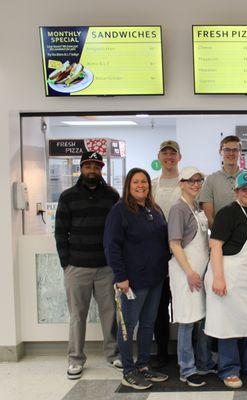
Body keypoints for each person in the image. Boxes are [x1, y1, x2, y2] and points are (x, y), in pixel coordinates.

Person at [204, 170, 247, 389]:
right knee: (229, 324)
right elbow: (215, 246)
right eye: (244, 189)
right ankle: (229, 368)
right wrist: (218, 278)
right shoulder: (228, 213)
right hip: (230, 275)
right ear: (236, 191)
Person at [54, 151, 121, 379]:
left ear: (101, 168)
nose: (92, 170)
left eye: (96, 166)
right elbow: (61, 231)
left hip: (106, 268)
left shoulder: (112, 195)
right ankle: (75, 359)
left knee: (110, 314)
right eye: (88, 166)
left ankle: (113, 355)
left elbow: (116, 231)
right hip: (77, 268)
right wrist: (67, 263)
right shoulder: (68, 196)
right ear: (81, 168)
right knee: (77, 315)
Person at [104, 168, 170, 390]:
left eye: (144, 182)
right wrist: (120, 277)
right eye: (136, 182)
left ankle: (143, 365)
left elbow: (163, 240)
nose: (141, 185)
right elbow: (111, 246)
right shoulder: (119, 211)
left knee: (148, 324)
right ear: (128, 185)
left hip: (155, 278)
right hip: (132, 281)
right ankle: (129, 371)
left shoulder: (154, 209)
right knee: (128, 326)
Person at [168, 166, 217, 387]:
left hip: (201, 272)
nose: (196, 184)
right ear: (182, 183)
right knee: (187, 321)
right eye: (191, 181)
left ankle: (205, 363)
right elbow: (174, 244)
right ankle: (187, 369)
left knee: (203, 318)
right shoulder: (178, 209)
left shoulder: (196, 207)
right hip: (185, 273)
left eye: (199, 181)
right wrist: (189, 272)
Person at [151, 140, 182, 368]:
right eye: (165, 153)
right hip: (157, 255)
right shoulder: (151, 186)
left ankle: (185, 351)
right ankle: (162, 351)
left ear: (179, 158)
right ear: (159, 157)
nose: (169, 157)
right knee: (159, 306)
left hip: (183, 254)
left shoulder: (188, 184)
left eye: (173, 153)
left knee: (184, 305)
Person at [200, 135, 247, 228]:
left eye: (235, 150)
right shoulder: (210, 180)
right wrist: (220, 236)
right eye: (227, 150)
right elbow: (208, 218)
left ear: (240, 153)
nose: (231, 153)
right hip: (221, 236)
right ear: (220, 152)